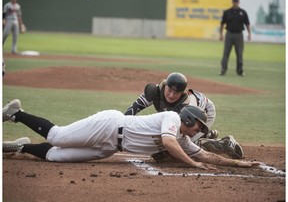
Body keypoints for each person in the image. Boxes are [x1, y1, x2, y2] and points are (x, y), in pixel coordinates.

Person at [2, 99, 259, 169]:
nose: (198, 132)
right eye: (198, 127)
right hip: (109, 125)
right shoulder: (171, 118)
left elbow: (205, 154)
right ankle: (17, 113)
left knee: (56, 157)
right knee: (57, 136)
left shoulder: (183, 139)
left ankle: (21, 147)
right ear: (189, 119)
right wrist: (192, 163)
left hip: (111, 147)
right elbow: (168, 142)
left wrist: (241, 164)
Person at [125, 72, 244, 159]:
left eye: (176, 93)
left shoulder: (186, 104)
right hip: (189, 117)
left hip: (204, 113)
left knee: (183, 146)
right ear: (165, 86)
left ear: (182, 93)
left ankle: (225, 144)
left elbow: (179, 133)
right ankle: (207, 135)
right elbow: (133, 109)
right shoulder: (154, 91)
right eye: (169, 90)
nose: (171, 95)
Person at [219, 0, 251, 76]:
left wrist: (249, 34)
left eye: (236, 1)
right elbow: (222, 23)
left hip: (239, 34)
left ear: (238, 2)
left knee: (239, 54)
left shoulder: (243, 12)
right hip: (229, 34)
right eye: (234, 1)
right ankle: (223, 70)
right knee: (226, 53)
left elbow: (247, 24)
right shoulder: (227, 12)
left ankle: (240, 71)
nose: (235, 2)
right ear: (232, 2)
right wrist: (221, 34)